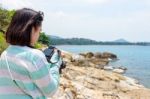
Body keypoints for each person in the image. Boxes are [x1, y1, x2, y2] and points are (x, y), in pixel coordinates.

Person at [0, 8, 62, 99]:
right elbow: (50, 91)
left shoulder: (4, 54)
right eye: (39, 31)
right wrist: (56, 64)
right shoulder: (34, 56)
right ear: (31, 29)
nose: (39, 35)